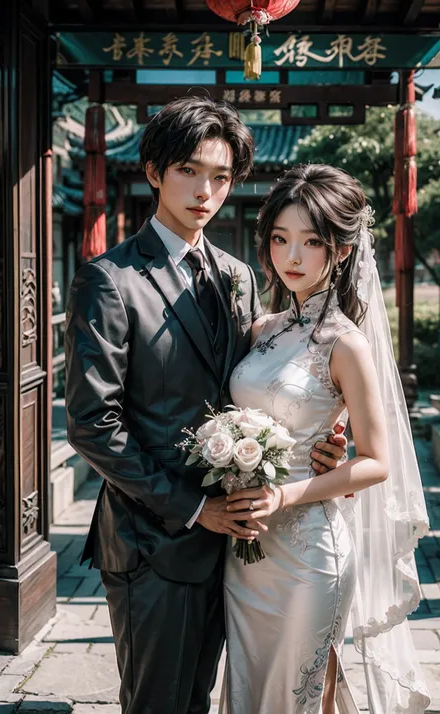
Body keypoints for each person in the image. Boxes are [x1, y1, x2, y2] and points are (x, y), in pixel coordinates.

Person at [64, 97, 347, 714]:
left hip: (246, 544)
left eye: (221, 177)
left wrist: (320, 436)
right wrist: (195, 508)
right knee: (159, 702)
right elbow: (92, 424)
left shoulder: (238, 275)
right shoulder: (111, 281)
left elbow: (256, 383)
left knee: (208, 696)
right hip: (154, 540)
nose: (206, 190)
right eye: (190, 170)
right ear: (153, 170)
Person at [221, 164, 431, 714]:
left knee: (304, 693)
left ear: (339, 250)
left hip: (311, 548)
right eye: (280, 239)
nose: (292, 256)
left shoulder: (346, 343)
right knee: (247, 682)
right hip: (246, 548)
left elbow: (377, 462)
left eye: (311, 242)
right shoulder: (261, 330)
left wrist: (286, 493)